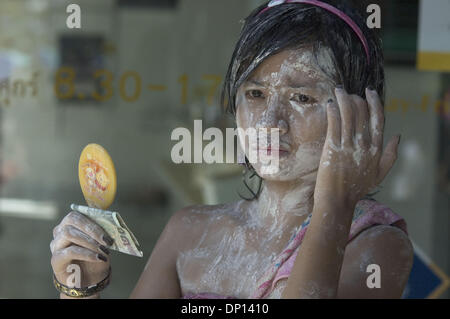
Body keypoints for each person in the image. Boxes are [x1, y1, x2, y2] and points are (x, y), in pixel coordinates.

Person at [50, 0, 413, 299]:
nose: (270, 121)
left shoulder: (375, 246)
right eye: (255, 94)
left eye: (301, 97)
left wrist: (336, 204)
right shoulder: (189, 231)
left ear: (361, 115)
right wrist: (80, 289)